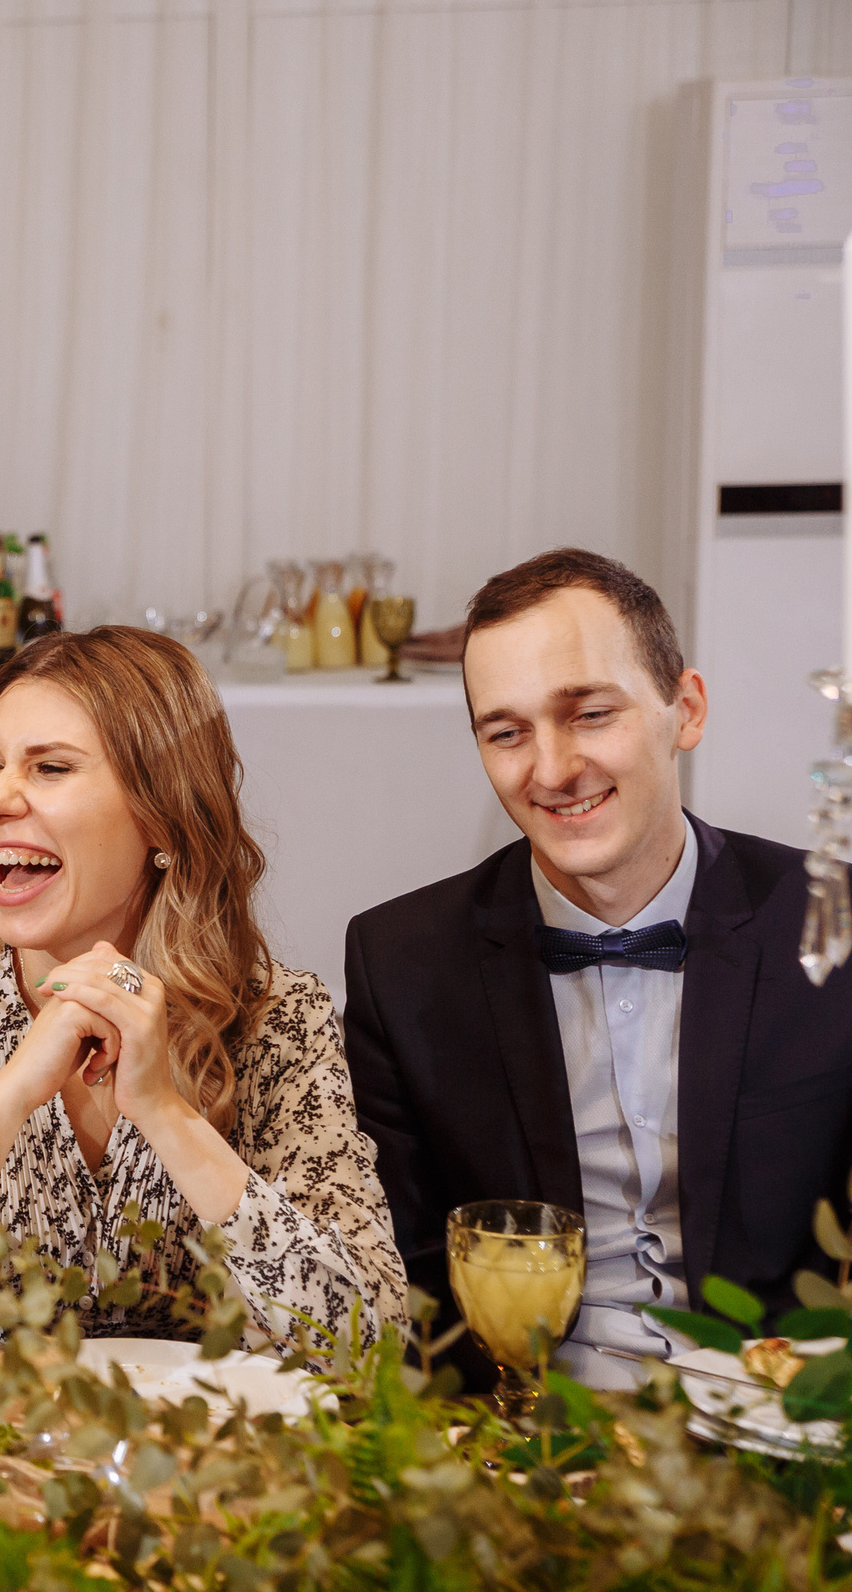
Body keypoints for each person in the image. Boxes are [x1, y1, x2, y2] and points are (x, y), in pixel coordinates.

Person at [0, 628, 406, 1394]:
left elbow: (370, 1351)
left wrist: (166, 1111)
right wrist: (6, 1099)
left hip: (214, 1485)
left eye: (51, 768)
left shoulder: (276, 1021)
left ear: (162, 815)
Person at [345, 548, 852, 1388]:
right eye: (506, 732)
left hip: (774, 1439)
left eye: (588, 714)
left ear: (684, 709)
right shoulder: (402, 962)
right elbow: (407, 1287)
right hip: (522, 1447)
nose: (550, 769)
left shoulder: (830, 923)